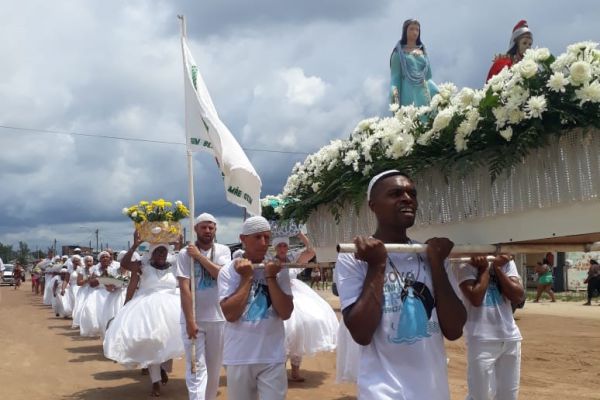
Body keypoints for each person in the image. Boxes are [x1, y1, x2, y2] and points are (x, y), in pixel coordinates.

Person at [336, 169, 466, 399]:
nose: (407, 198)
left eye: (412, 194)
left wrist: (437, 265)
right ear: (373, 205)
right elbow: (361, 333)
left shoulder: (431, 254)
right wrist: (377, 265)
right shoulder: (353, 257)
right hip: (382, 390)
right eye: (395, 193)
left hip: (433, 390)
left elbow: (454, 330)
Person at [218, 216, 294, 400]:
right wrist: (246, 278)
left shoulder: (277, 270)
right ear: (243, 239)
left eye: (267, 238)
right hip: (239, 356)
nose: (263, 243)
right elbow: (230, 314)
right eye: (257, 237)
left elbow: (285, 313)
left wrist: (270, 278)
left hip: (272, 356)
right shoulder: (228, 271)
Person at [104, 233, 184, 397]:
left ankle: (162, 368)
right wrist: (134, 245)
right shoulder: (143, 266)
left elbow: (185, 259)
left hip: (171, 307)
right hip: (147, 307)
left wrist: (179, 245)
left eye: (163, 251)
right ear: (152, 253)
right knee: (152, 341)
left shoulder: (173, 265)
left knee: (169, 340)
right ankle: (155, 381)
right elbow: (125, 265)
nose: (161, 254)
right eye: (158, 252)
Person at [176, 213, 232, 400]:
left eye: (211, 227)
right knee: (195, 368)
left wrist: (199, 257)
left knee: (214, 369)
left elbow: (222, 275)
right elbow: (184, 287)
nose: (208, 231)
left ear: (215, 230)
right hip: (193, 320)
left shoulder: (223, 250)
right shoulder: (185, 254)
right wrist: (190, 321)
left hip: (218, 319)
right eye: (204, 227)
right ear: (196, 229)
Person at [269, 234, 337, 382]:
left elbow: (312, 251)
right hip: (277, 295)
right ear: (275, 247)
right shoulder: (269, 261)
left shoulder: (293, 260)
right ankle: (278, 370)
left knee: (301, 329)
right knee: (284, 332)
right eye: (279, 245)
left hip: (296, 296)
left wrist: (299, 234)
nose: (282, 248)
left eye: (284, 245)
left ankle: (295, 370)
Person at [457, 255, 524, 400]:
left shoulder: (504, 261)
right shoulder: (463, 262)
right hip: (481, 339)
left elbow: (518, 296)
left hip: (510, 337)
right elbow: (476, 298)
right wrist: (484, 269)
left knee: (508, 396)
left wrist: (498, 268)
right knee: (479, 395)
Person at [389, 19, 438, 107]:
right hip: (408, 91)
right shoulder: (398, 53)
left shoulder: (423, 52)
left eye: (417, 29)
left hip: (423, 91)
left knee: (426, 115)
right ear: (405, 31)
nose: (415, 32)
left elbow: (428, 77)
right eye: (411, 29)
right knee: (410, 117)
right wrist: (394, 90)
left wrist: (437, 91)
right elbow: (395, 76)